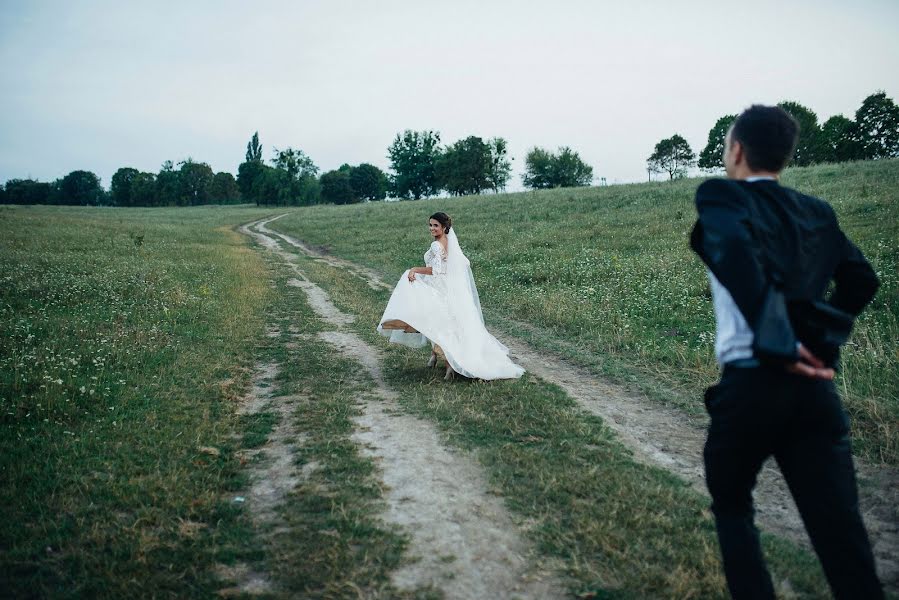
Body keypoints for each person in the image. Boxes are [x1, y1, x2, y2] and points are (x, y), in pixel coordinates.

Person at [690, 105, 883, 599]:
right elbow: (862, 280)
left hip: (751, 385)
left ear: (736, 150)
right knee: (842, 533)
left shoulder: (721, 196)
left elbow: (734, 248)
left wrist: (779, 344)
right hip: (814, 393)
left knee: (733, 508)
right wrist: (818, 341)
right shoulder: (817, 212)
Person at [377, 212, 524, 381]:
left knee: (437, 323)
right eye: (430, 225)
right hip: (449, 289)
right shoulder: (450, 244)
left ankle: (448, 364)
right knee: (446, 324)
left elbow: (436, 271)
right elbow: (464, 263)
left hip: (438, 288)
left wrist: (414, 270)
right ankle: (437, 357)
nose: (432, 228)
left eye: (436, 226)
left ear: (444, 227)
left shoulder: (436, 246)